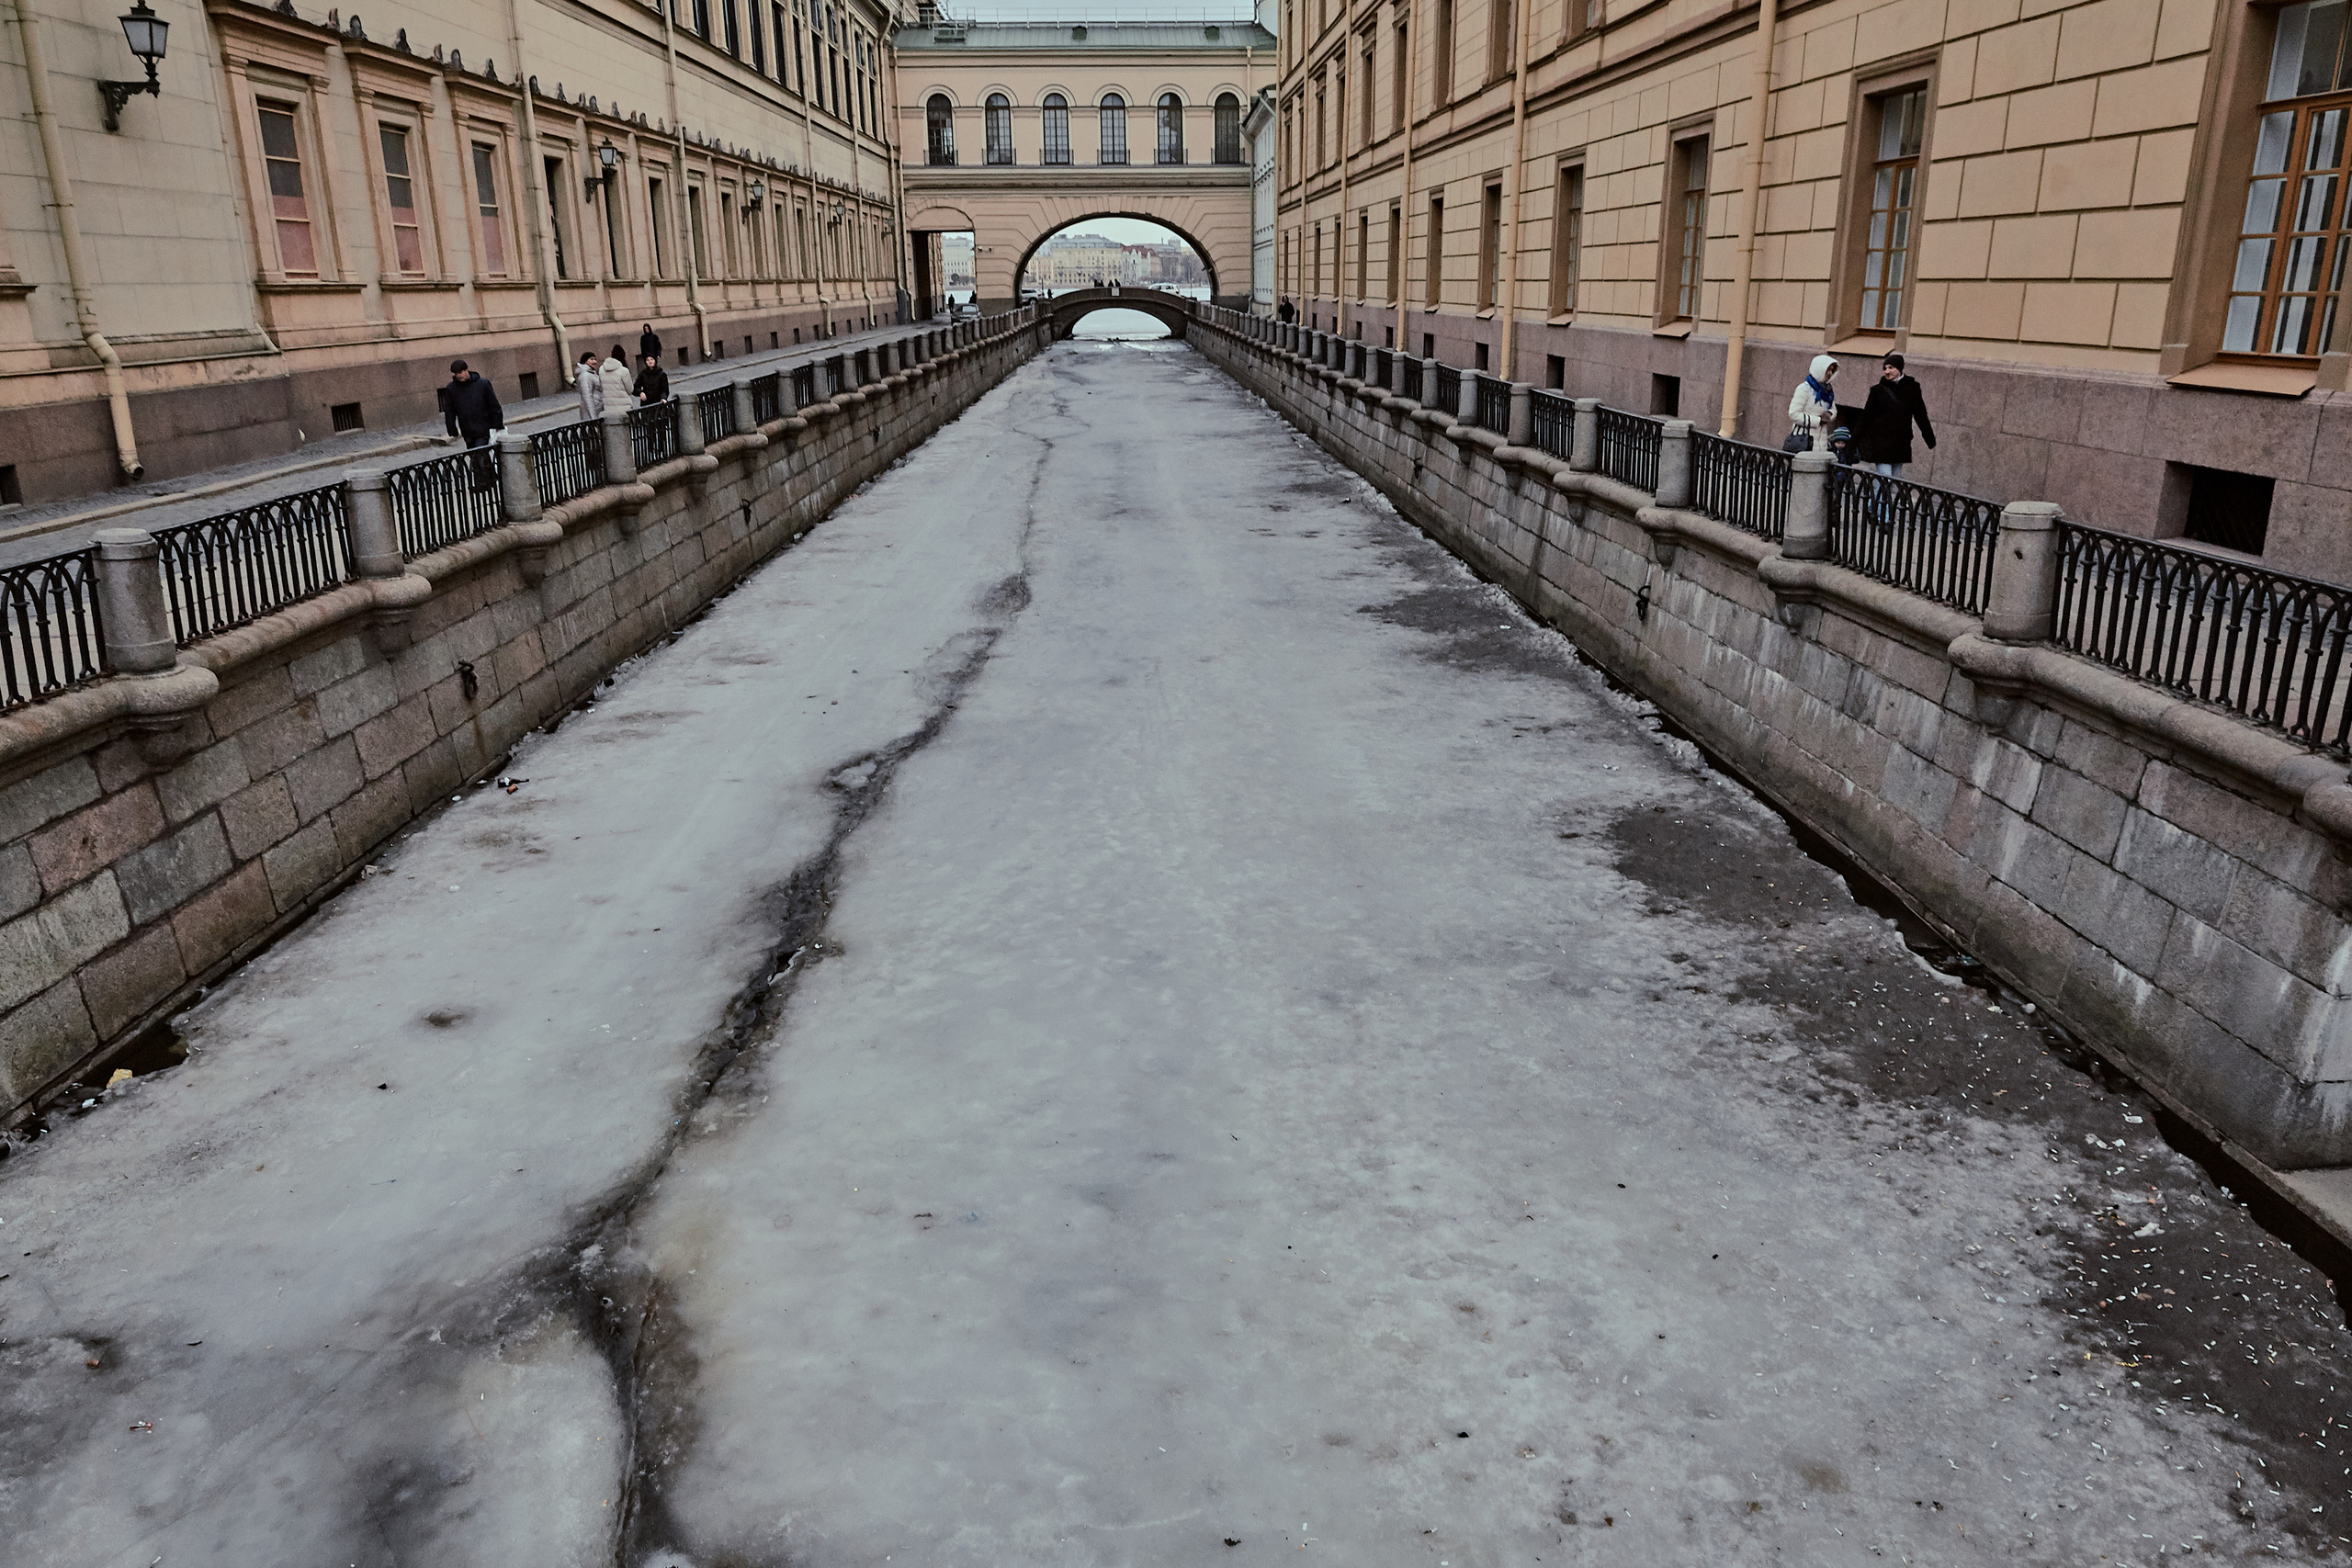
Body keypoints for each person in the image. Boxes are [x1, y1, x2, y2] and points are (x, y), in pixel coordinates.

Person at [1857, 352, 1937, 479]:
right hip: (1881, 442)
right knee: (1885, 480)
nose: (1887, 371)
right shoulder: (1877, 390)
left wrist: (1929, 438)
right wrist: (1853, 442)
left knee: (1894, 480)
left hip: (1901, 442)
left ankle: (1878, 499)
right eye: (1885, 368)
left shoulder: (1912, 388)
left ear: (1899, 368)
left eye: (1891, 367)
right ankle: (1878, 499)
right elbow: (1865, 417)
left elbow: (1920, 414)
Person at [438, 359, 503, 488]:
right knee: (475, 455)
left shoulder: (482, 384)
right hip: (467, 429)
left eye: (460, 372)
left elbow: (494, 405)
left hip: (483, 427)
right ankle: (492, 476)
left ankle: (482, 483)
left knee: (479, 455)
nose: (459, 375)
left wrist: (497, 425)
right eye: (456, 373)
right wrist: (452, 429)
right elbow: (450, 410)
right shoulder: (452, 388)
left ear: (467, 370)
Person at [1786, 354, 1838, 453]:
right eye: (1828, 370)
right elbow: (1793, 413)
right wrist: (1817, 420)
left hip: (1821, 443)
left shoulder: (1828, 391)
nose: (1830, 373)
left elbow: (1833, 409)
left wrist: (1829, 415)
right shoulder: (1804, 389)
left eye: (1832, 370)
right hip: (1804, 441)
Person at [598, 345, 634, 411]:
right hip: (624, 407)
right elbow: (630, 390)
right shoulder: (624, 371)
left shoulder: (601, 369)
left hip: (608, 407)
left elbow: (601, 387)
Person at [573, 351, 605, 420]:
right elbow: (587, 396)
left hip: (597, 408)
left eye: (595, 359)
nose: (595, 361)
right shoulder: (585, 375)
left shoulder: (591, 373)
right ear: (585, 361)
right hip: (591, 411)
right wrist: (593, 416)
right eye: (591, 359)